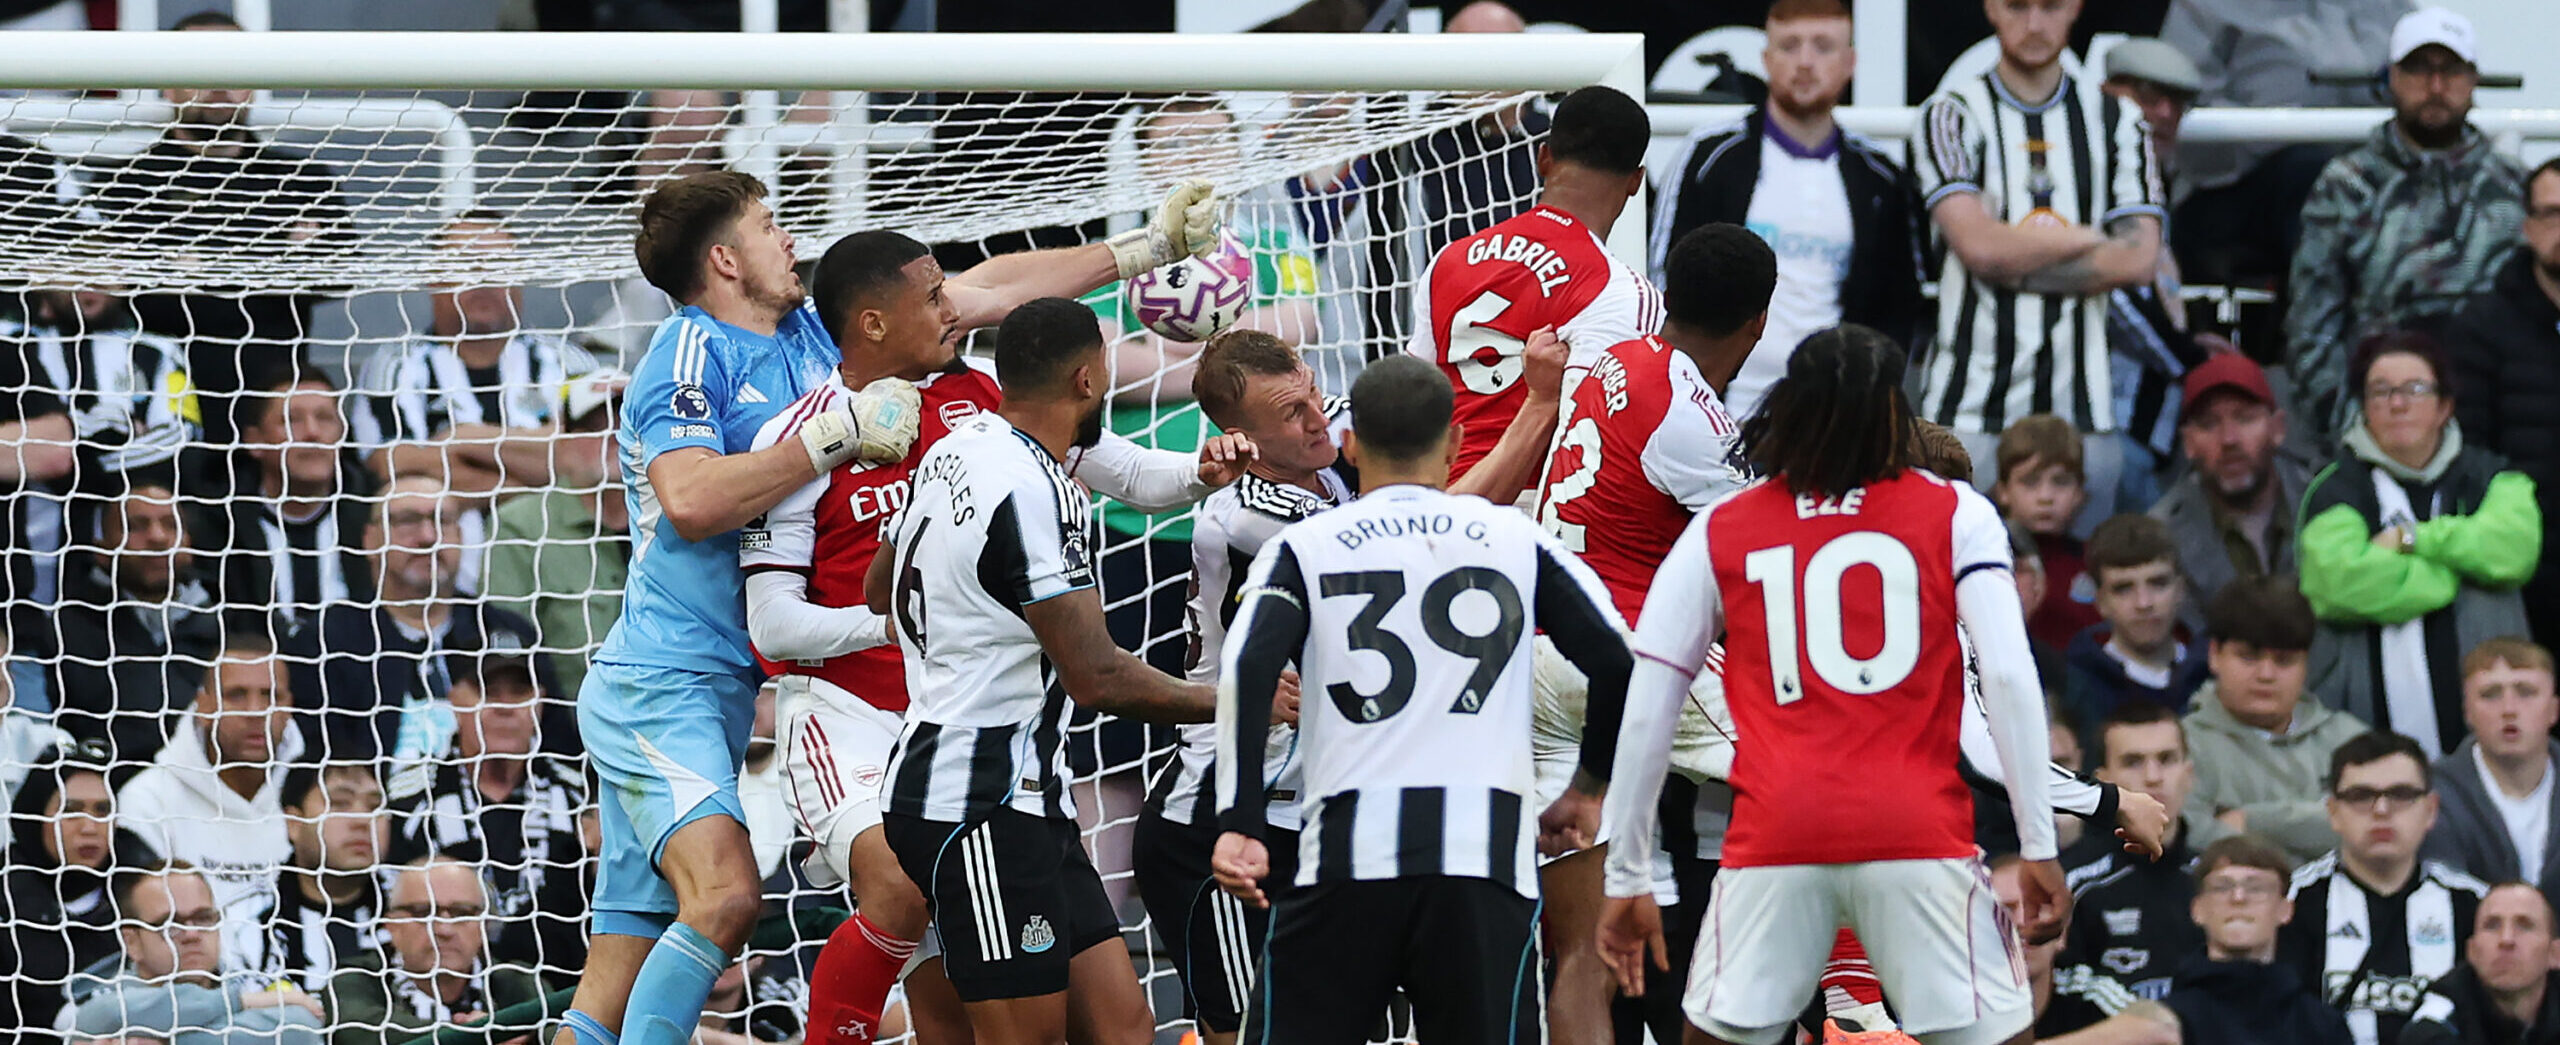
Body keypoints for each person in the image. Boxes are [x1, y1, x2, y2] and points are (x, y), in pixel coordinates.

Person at [561, 161, 1222, 1045]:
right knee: (737, 895)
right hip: (687, 676)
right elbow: (688, 501)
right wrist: (834, 447)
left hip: (821, 693)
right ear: (724, 258)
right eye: (766, 226)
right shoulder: (690, 356)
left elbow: (984, 290)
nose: (788, 236)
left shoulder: (818, 335)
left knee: (621, 964)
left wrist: (1144, 249)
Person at [739, 231, 1258, 1045]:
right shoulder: (806, 433)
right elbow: (770, 622)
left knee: (1115, 1027)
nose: (955, 310)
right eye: (936, 298)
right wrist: (920, 615)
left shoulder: (980, 413)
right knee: (907, 907)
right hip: (862, 718)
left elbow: (1125, 473)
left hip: (998, 752)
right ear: (873, 324)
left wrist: (1202, 470)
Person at [1587, 324, 2063, 1045]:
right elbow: (2005, 673)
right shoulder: (1955, 511)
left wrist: (1626, 871)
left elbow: (1649, 699)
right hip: (1916, 830)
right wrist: (2039, 843)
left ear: (1790, 408)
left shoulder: (1724, 525)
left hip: (1774, 834)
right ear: (1893, 418)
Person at [1204, 351, 1634, 1045]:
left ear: (1350, 443)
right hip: (1483, 862)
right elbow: (1616, 660)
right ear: (1458, 442)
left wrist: (1241, 821)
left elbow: (1247, 668)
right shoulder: (1513, 538)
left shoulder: (1307, 545)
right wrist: (1587, 788)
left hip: (1346, 859)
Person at [861, 298, 1230, 1045]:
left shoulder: (958, 445)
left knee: (1122, 1027)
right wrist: (1234, 702)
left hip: (1020, 794)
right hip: (976, 804)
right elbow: (1095, 675)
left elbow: (878, 589)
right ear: (1088, 379)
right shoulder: (1033, 491)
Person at [1526, 223, 1768, 1045]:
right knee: (1821, 780)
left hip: (1540, 656)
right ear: (1758, 323)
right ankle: (1853, 997)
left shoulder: (1614, 360)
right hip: (1621, 658)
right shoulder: (1698, 418)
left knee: (1580, 956)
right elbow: (1756, 579)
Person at [1911, 0, 2165, 516]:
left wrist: (2009, 253)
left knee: (2080, 593)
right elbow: (1978, 248)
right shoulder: (1950, 112)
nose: (2034, 24)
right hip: (1968, 412)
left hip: (2084, 415)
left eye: (2049, 6)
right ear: (1989, 8)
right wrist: (2088, 236)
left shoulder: (2119, 119)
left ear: (2074, 7)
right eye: (2017, 6)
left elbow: (2139, 260)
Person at [1648, 0, 1929, 413]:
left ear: (1851, 61)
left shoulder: (1881, 179)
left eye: (1823, 46)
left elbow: (1901, 310)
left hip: (1832, 424)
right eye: (1789, 45)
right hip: (1713, 411)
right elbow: (1661, 279)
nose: (1805, 62)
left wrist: (1863, 406)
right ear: (1765, 59)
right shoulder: (1709, 156)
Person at [80, 10, 351, 436]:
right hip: (154, 413)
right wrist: (276, 255)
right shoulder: (121, 183)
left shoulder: (303, 180)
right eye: (201, 66)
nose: (219, 82)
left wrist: (189, 267)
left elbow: (341, 275)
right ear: (167, 84)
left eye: (234, 65)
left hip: (276, 416)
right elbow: (124, 299)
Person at [2286, 7, 2527, 445]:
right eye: (2418, 69)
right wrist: (2348, 432)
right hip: (2377, 424)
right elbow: (2311, 325)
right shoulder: (2347, 185)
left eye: (2450, 70)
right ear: (2391, 78)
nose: (2435, 87)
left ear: (2473, 80)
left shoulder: (2512, 187)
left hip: (2493, 429)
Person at [2298, 331, 2540, 759]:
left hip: (2491, 745)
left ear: (2445, 406)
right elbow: (2339, 582)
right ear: (2363, 409)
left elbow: (2512, 551)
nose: (2397, 403)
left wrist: (2412, 538)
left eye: (2414, 389)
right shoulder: (2333, 489)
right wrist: (2459, 571)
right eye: (2380, 391)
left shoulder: (2494, 477)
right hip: (2364, 742)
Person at [1406, 84, 1657, 493]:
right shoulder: (1619, 291)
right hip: (1536, 514)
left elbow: (1411, 399)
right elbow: (1603, 444)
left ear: (1543, 157)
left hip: (1438, 497)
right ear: (1635, 181)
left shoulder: (1450, 259)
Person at [283, 476, 555, 767]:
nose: (428, 536)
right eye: (407, 521)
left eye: (443, 521)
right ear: (369, 539)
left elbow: (556, 746)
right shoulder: (325, 642)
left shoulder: (507, 633)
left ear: (461, 537)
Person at [352, 212, 607, 497]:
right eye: (466, 263)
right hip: (439, 537)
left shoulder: (568, 361)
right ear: (433, 278)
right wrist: (526, 485)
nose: (483, 277)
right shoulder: (395, 365)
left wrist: (462, 439)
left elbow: (592, 456)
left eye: (498, 264)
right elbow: (391, 465)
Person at [2158, 0, 2405, 284]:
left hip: (2366, 176)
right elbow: (2176, 106)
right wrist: (2281, 128)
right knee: (2317, 176)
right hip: (2234, 187)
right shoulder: (2206, 6)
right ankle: (2324, 321)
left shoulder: (2389, 7)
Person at [386, 655, 590, 983]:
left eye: (519, 693)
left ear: (539, 701)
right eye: (489, 692)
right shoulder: (407, 799)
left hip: (561, 987)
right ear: (455, 700)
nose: (505, 707)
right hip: (441, 989)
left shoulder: (578, 796)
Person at [2286, 731, 2492, 1045]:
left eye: (2401, 794)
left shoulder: (2476, 905)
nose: (2381, 809)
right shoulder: (2291, 900)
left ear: (2431, 810)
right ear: (2333, 812)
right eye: (2361, 795)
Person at [117, 634, 304, 977]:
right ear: (203, 707)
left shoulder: (314, 794)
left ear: (289, 706)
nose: (255, 712)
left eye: (269, 696)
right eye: (236, 695)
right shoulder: (148, 801)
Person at [2046, 702, 2232, 1031]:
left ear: (2188, 774)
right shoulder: (2069, 880)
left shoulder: (2222, 878)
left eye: (2167, 759)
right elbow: (2060, 990)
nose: (2153, 777)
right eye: (2133, 762)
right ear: (2102, 781)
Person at [2447, 157, 2560, 645]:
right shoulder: (2482, 327)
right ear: (2528, 228)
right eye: (2552, 214)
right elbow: (2468, 460)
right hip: (2522, 583)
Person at [2184, 578, 2364, 865]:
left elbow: (2372, 827)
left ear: (2306, 664)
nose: (2266, 674)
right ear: (2215, 655)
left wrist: (2252, 820)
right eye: (2249, 657)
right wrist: (2321, 822)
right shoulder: (2182, 745)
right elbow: (2190, 838)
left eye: (2284, 661)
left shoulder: (2350, 739)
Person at [49, 475, 224, 766]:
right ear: (102, 550)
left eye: (171, 525)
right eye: (137, 526)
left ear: (189, 543)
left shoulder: (229, 624)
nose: (157, 538)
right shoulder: (66, 630)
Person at [483, 369, 629, 699]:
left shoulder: (682, 519)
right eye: (594, 427)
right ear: (564, 439)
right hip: (568, 734)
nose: (613, 436)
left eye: (628, 422)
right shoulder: (522, 526)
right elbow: (510, 654)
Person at [198, 370, 377, 634]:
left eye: (325, 419)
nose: (312, 433)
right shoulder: (216, 525)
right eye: (292, 420)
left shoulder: (376, 513)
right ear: (254, 441)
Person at [69, 862, 326, 1045]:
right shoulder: (96, 995)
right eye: (170, 924)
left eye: (203, 918)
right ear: (132, 941)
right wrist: (240, 1003)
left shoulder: (255, 981)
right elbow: (101, 1016)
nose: (191, 934)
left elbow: (299, 1031)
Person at [0, 744, 147, 1043]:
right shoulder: (6, 899)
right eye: (70, 810)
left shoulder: (143, 884)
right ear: (35, 815)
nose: (89, 827)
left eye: (102, 810)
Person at [2148, 353, 2306, 622]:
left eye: (2245, 419)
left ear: (2277, 429)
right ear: (2188, 443)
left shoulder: (2327, 505)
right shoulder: (2160, 538)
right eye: (2209, 424)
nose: (2229, 439)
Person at [320, 858, 548, 1045]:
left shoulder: (520, 980)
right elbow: (358, 1034)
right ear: (392, 926)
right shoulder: (355, 978)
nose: (444, 929)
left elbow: (560, 1034)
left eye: (462, 912)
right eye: (423, 912)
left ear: (484, 926)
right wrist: (476, 1035)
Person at [2156, 835, 2354, 1045]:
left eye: (2256, 888)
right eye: (2222, 887)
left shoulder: (2320, 1026)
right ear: (2197, 909)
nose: (2238, 898)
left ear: (2285, 910)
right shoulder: (2163, 1026)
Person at [2423, 639, 2560, 900]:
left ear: (2554, 710)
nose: (2509, 709)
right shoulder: (2432, 792)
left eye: (2526, 691)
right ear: (2467, 712)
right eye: (2490, 694)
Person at [2063, 513, 2209, 731]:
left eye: (2158, 583)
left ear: (2180, 590)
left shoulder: (2215, 674)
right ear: (2101, 601)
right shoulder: (2077, 689)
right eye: (2123, 588)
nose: (2144, 603)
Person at [266, 764, 390, 993]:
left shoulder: (416, 913)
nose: (363, 820)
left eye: (375, 807)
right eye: (340, 804)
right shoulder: (250, 921)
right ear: (294, 824)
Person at [2401, 881, 2560, 1045]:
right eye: (2492, 926)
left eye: (2524, 926)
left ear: (2555, 953)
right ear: (2472, 951)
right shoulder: (2437, 1019)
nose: (2506, 939)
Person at [1995, 415, 2099, 649]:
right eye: (2030, 482)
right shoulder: (1985, 559)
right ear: (2003, 491)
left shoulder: (2093, 563)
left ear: (2079, 492)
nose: (2046, 497)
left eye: (2060, 482)